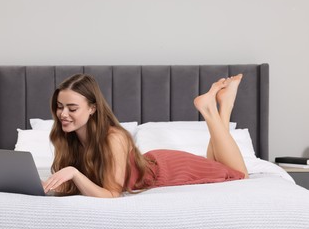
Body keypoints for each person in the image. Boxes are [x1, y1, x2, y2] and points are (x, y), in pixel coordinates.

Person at [42, 73, 248, 198]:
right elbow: (81, 185)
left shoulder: (114, 138)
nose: (63, 114)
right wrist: (48, 186)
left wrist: (73, 173)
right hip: (154, 162)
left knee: (238, 174)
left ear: (92, 109)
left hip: (170, 170)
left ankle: (212, 108)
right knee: (217, 164)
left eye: (72, 108)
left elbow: (111, 194)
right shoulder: (68, 139)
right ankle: (223, 103)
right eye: (60, 107)